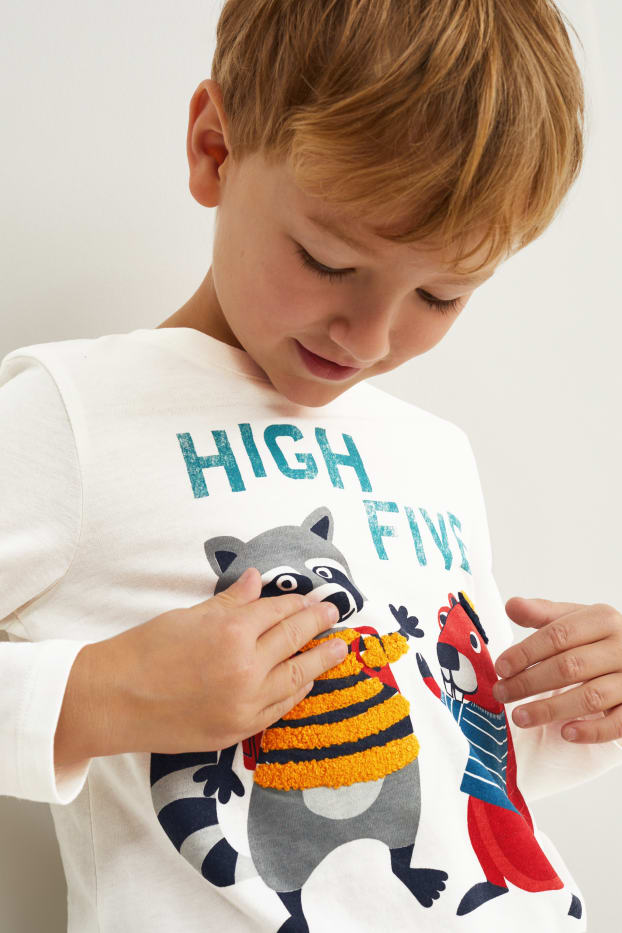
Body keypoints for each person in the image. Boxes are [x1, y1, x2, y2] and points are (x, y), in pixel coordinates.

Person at [1, 2, 621, 931]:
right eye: (328, 261)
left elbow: (451, 749)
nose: (369, 338)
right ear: (215, 149)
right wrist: (100, 696)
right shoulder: (76, 414)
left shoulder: (434, 452)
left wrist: (583, 699)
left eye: (441, 295)